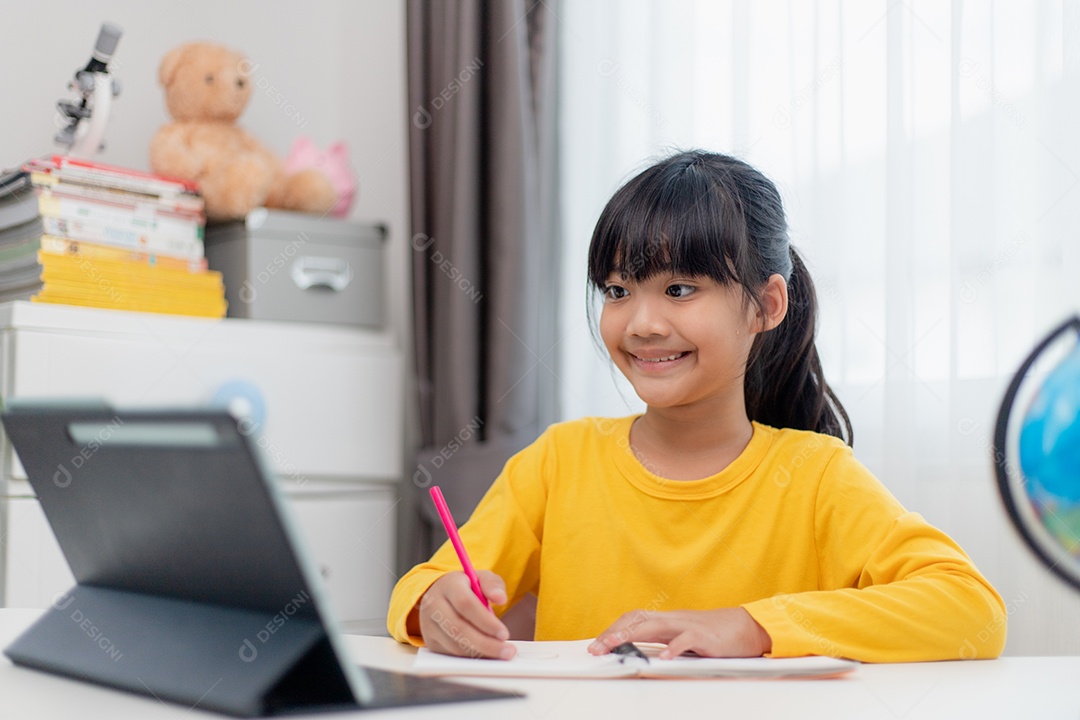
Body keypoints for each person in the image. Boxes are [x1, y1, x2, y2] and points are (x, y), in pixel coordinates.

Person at [388, 150, 1006, 663]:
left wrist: (752, 627)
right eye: (617, 290)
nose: (642, 323)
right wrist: (431, 605)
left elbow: (971, 608)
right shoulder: (558, 462)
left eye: (679, 289)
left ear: (766, 306)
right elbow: (424, 588)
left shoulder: (816, 476)